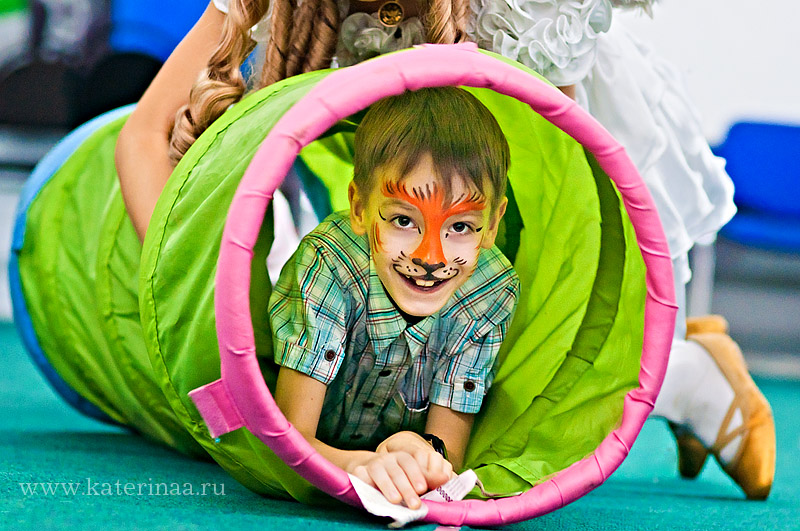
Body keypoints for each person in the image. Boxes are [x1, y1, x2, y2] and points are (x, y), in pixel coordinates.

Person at [114, 0, 774, 501]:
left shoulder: (522, 13)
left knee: (583, 368)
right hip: (401, 181)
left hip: (531, 162)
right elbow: (144, 136)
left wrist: (424, 445)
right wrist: (193, 293)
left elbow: (554, 194)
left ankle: (693, 377)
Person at [269, 86, 518, 509]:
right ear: (360, 207)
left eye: (460, 227)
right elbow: (289, 440)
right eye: (403, 220)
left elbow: (447, 459)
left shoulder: (489, 292)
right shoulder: (329, 265)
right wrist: (358, 466)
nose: (431, 259)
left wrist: (421, 452)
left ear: (492, 225)